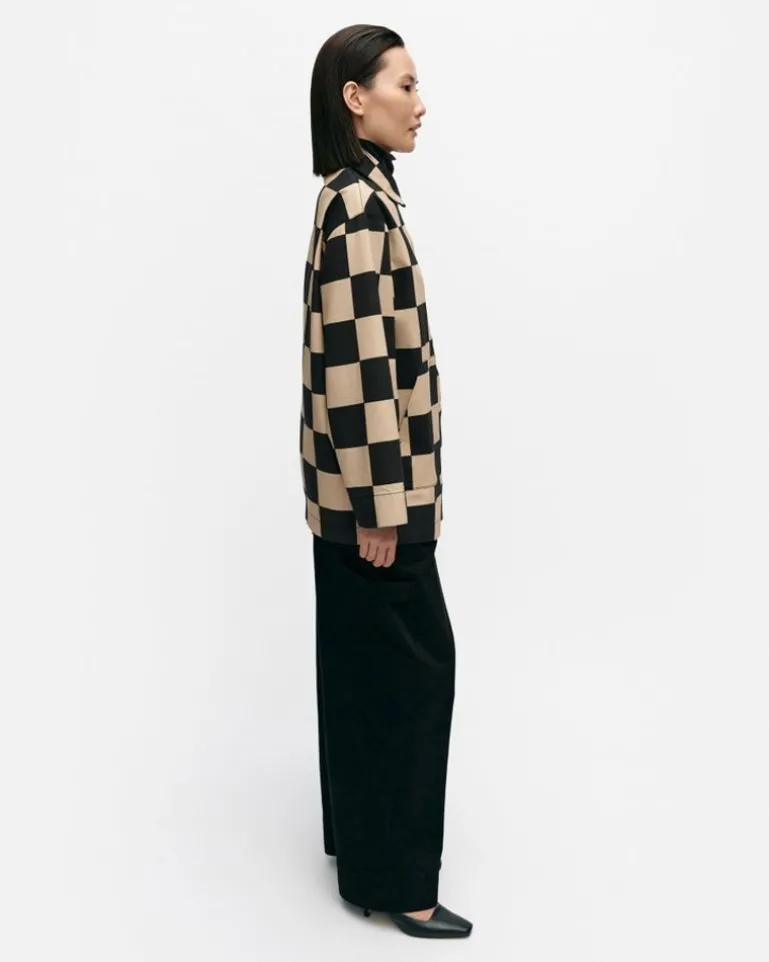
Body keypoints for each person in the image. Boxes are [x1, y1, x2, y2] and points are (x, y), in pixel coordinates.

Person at [300, 24, 472, 939]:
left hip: (354, 496)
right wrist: (380, 509)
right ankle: (402, 883)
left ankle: (362, 855)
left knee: (363, 673)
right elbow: (360, 369)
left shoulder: (351, 193)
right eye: (404, 85)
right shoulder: (360, 207)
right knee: (412, 678)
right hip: (378, 501)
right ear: (354, 98)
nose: (420, 103)